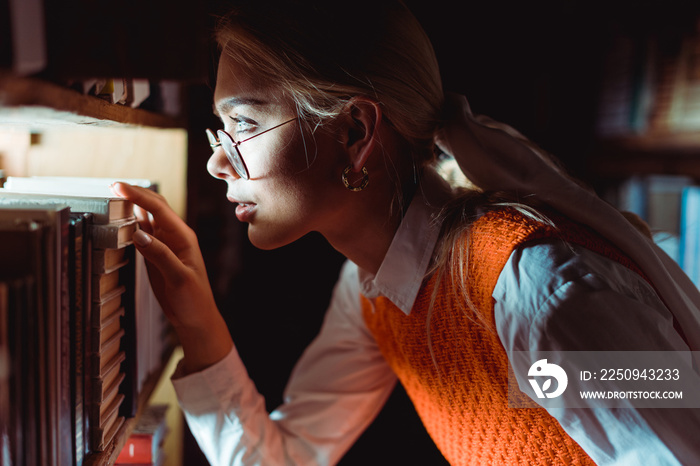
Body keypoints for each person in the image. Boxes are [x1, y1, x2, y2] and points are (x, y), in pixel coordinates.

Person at [112, 1, 700, 464]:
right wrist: (196, 322)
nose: (218, 162)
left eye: (243, 122)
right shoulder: (373, 290)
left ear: (354, 131)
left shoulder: (539, 292)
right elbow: (283, 460)